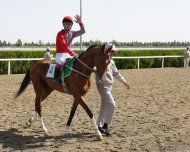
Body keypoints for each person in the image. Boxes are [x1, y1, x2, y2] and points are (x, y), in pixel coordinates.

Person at [96, 43, 130, 136]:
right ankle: (105, 126)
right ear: (106, 51)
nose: (113, 53)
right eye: (111, 51)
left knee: (104, 106)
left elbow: (116, 73)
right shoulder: (100, 61)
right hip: (102, 87)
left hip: (109, 86)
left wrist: (124, 82)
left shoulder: (112, 62)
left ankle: (99, 126)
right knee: (112, 105)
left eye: (113, 52)